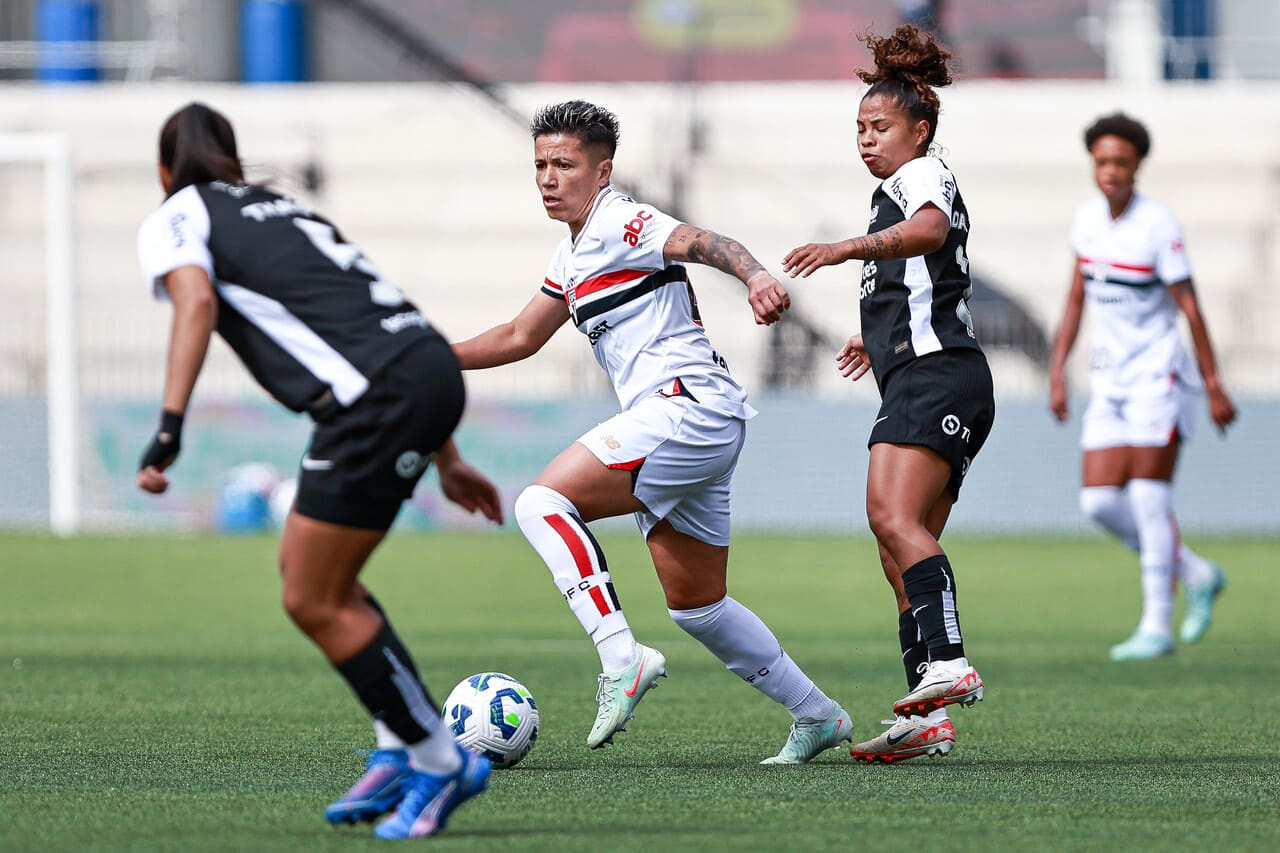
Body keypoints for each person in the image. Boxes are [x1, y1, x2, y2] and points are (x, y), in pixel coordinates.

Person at [135, 102, 503, 840]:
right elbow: (371, 317)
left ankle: (438, 758)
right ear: (234, 162)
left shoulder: (179, 213)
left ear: (165, 171)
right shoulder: (277, 207)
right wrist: (449, 458)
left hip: (375, 398)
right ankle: (401, 747)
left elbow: (196, 301)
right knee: (319, 575)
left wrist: (169, 426)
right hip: (426, 368)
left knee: (309, 594)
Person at [452, 100, 852, 765]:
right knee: (699, 607)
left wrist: (754, 275)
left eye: (565, 165)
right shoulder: (574, 251)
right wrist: (434, 355)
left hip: (683, 409)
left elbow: (702, 241)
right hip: (699, 418)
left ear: (601, 170)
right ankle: (817, 714)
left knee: (541, 502)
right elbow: (521, 336)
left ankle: (621, 656)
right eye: (541, 166)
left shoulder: (620, 219)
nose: (549, 178)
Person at [783, 24, 992, 764]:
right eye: (860, 128)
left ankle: (951, 660)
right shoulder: (894, 190)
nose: (867, 140)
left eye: (881, 127)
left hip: (939, 375)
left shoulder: (921, 179)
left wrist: (843, 247)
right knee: (898, 545)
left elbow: (931, 232)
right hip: (938, 373)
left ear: (921, 129)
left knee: (889, 514)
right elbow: (923, 279)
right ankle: (925, 714)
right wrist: (870, 337)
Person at [1048, 112, 1236, 661]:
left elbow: (1190, 306)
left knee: (1151, 500)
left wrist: (1214, 382)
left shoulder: (1158, 226)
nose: (1110, 171)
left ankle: (1157, 625)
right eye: (1102, 161)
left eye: (1121, 163)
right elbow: (1076, 298)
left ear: (1137, 167)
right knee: (1100, 502)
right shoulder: (1085, 221)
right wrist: (1058, 371)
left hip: (1160, 377)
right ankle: (1197, 572)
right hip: (1109, 380)